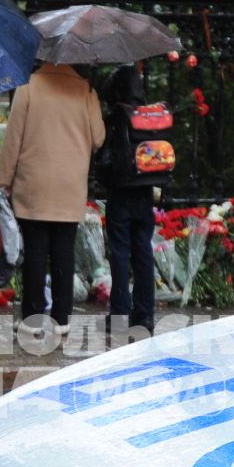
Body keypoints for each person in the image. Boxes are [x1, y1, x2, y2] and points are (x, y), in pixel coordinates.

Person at [0, 61, 106, 334]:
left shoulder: (28, 86)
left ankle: (32, 318)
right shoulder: (85, 90)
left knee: (34, 251)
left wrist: (4, 178)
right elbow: (98, 139)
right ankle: (62, 318)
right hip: (69, 184)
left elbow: (13, 138)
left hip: (33, 182)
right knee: (63, 252)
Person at [100, 66, 157, 337]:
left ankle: (120, 313)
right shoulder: (151, 116)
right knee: (143, 251)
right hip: (145, 192)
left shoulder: (116, 118)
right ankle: (145, 314)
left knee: (120, 253)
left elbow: (105, 159)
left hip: (121, 192)